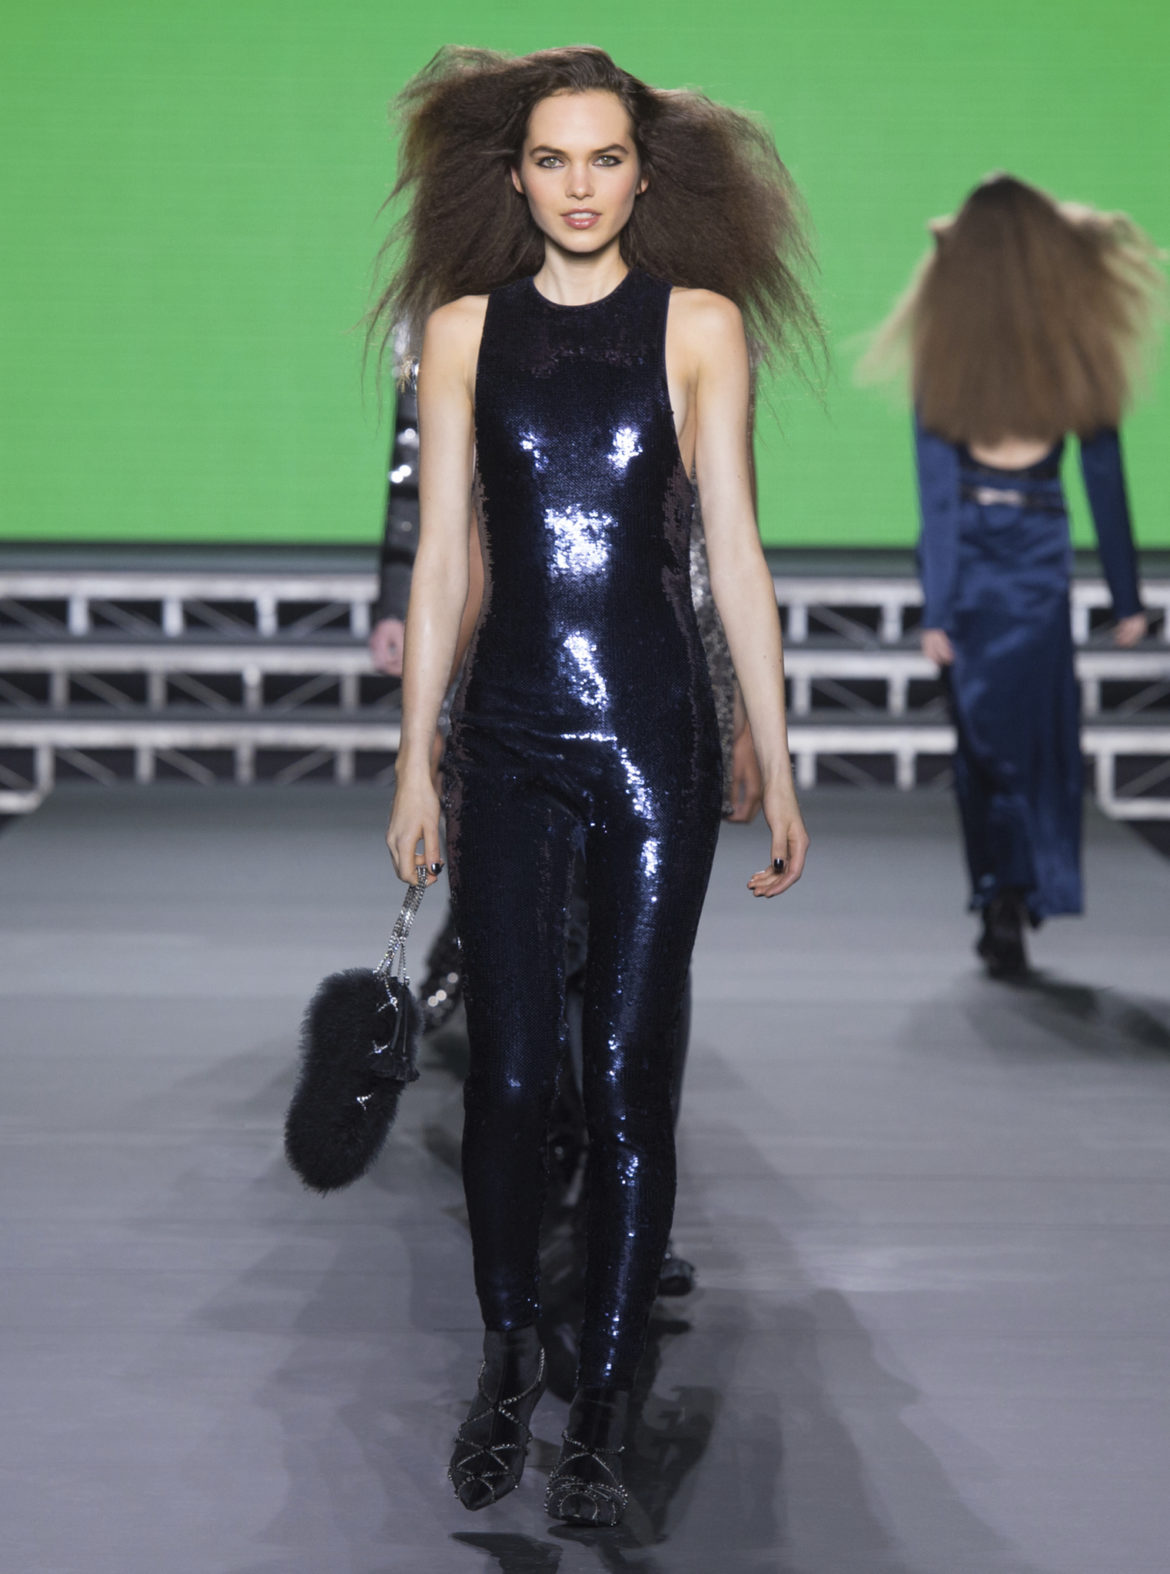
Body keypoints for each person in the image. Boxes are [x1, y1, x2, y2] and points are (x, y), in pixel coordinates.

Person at [377, 45, 816, 1525]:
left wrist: (775, 749)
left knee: (629, 1077)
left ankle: (608, 1404)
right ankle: (510, 1355)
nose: (579, 185)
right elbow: (447, 558)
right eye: (553, 160)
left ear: (642, 174)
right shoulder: (461, 334)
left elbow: (732, 552)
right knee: (509, 1077)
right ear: (515, 178)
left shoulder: (700, 326)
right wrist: (414, 757)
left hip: (652, 741)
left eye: (605, 158)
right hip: (503, 739)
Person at [863, 175, 1162, 977]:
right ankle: (1021, 888)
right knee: (1036, 734)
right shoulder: (1072, 347)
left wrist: (939, 606)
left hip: (973, 561)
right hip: (1036, 556)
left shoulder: (946, 349)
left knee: (982, 742)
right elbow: (1102, 476)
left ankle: (1000, 892)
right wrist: (1128, 597)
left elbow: (939, 494)